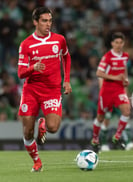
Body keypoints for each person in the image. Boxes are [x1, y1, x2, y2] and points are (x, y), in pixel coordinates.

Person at [17, 7, 72, 172]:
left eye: (50, 21)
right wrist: (33, 67)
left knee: (53, 128)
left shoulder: (59, 40)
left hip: (52, 90)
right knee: (27, 132)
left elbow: (66, 57)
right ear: (35, 22)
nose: (48, 24)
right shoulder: (26, 44)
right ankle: (37, 162)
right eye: (44, 21)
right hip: (31, 90)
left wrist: (67, 80)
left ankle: (43, 123)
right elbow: (20, 73)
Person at [91, 32, 130, 153]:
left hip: (119, 89)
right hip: (107, 90)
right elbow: (99, 73)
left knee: (127, 111)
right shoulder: (107, 57)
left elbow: (124, 70)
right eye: (116, 42)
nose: (118, 45)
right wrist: (116, 77)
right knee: (100, 117)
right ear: (112, 43)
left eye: (120, 42)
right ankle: (95, 139)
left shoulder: (125, 56)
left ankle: (117, 137)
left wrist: (125, 80)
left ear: (123, 43)